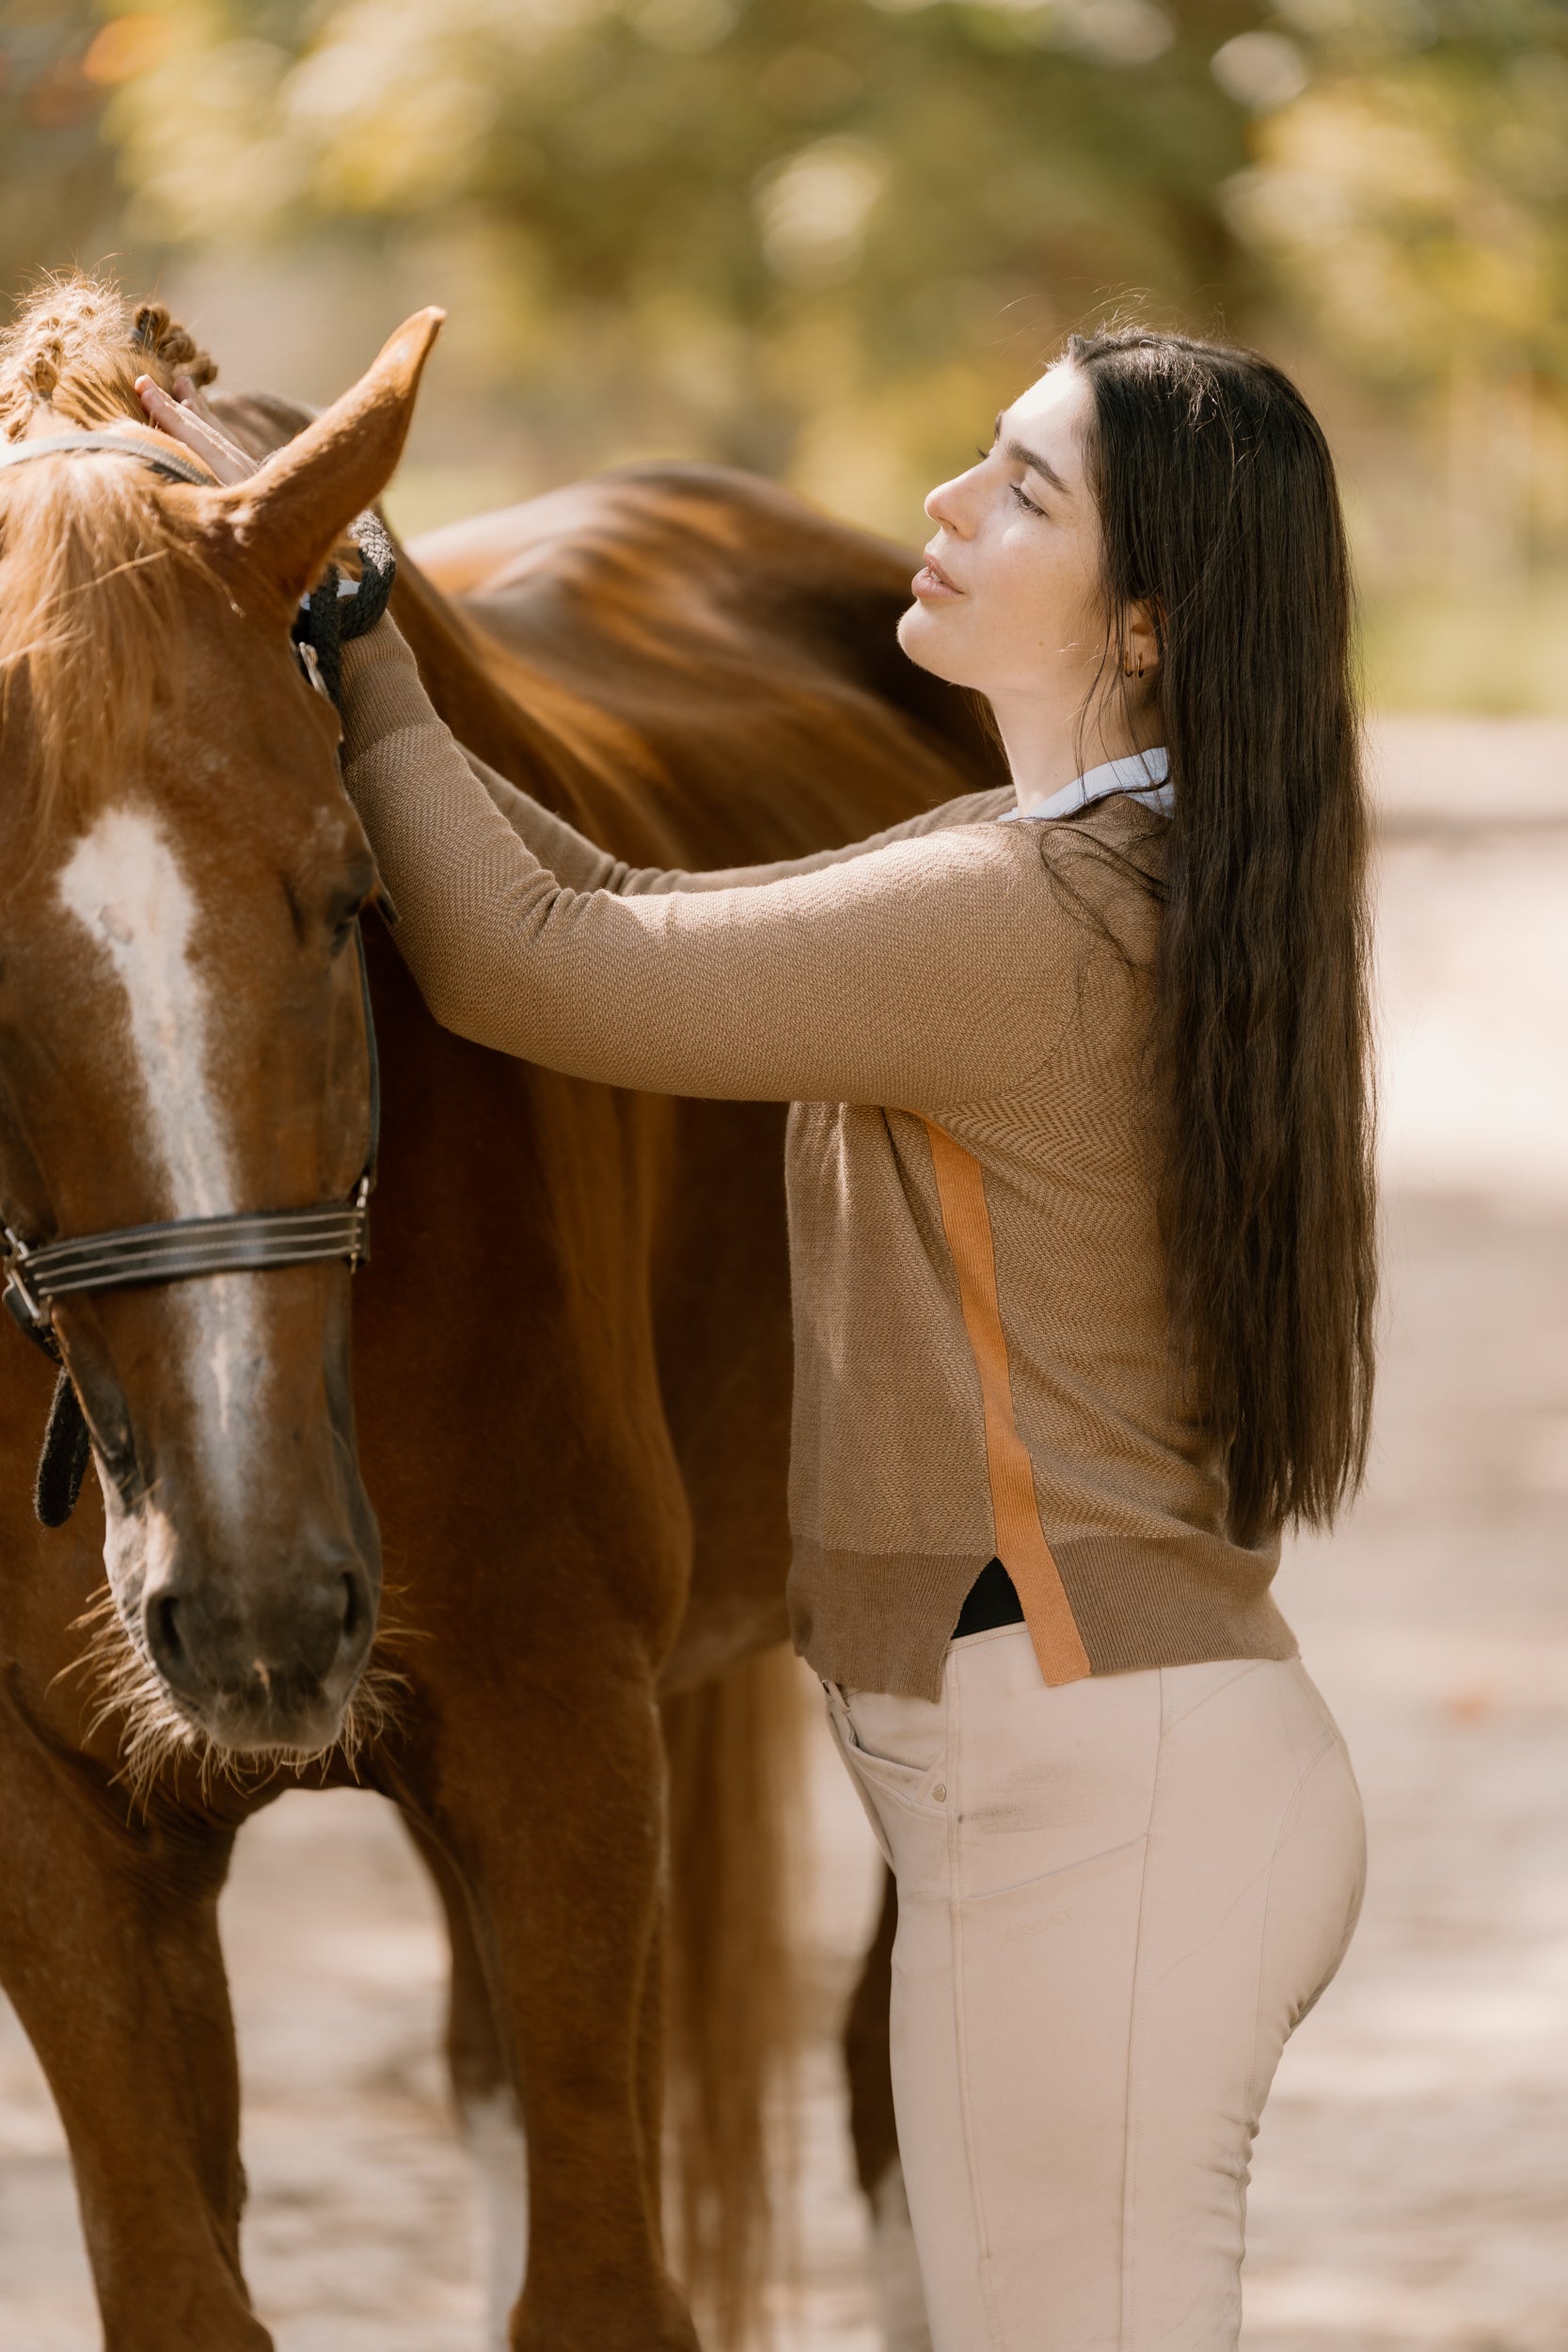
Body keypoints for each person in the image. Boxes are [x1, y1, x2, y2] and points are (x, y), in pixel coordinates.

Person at [144, 326, 1373, 2350]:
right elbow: (624, 889)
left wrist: (371, 633)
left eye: (1024, 493)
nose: (945, 507)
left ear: (1147, 627)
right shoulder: (1086, 869)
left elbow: (546, 960)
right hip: (1101, 1766)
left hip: (1100, 1788)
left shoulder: (1021, 920)